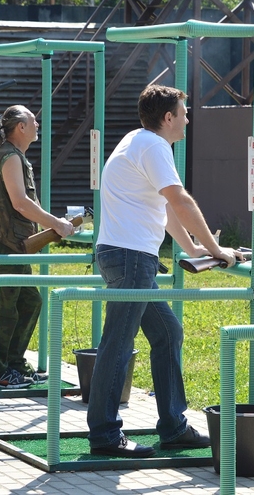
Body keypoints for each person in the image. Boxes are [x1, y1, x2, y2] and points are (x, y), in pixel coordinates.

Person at [87, 84, 240, 458]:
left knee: (168, 332)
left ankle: (174, 427)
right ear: (168, 118)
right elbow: (180, 199)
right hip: (130, 258)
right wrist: (218, 249)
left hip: (127, 255)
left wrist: (194, 248)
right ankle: (105, 435)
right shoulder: (154, 145)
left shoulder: (138, 141)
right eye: (183, 113)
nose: (188, 119)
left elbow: (164, 206)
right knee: (118, 344)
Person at [0, 105, 75, 388]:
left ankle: (14, 364)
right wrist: (57, 224)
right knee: (6, 306)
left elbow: (25, 204)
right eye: (33, 121)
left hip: (15, 242)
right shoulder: (9, 156)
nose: (37, 125)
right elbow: (20, 202)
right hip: (6, 242)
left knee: (30, 301)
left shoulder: (14, 155)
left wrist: (51, 226)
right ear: (20, 127)